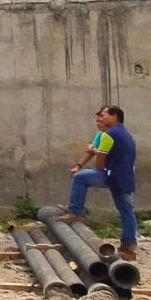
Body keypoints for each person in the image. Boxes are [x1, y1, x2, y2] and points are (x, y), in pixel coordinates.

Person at [63, 104, 138, 260]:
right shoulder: (124, 134)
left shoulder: (109, 135)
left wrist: (95, 152)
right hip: (126, 177)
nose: (100, 118)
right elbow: (92, 153)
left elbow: (99, 165)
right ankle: (129, 246)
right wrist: (81, 163)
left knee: (80, 178)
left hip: (112, 176)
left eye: (103, 115)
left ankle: (75, 211)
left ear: (114, 116)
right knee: (127, 211)